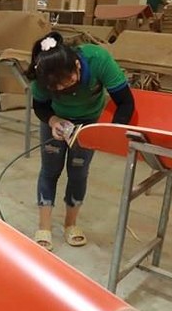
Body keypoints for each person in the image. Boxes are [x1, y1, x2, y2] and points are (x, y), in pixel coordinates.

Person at [26, 32, 134, 251]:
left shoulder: (98, 60)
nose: (65, 89)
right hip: (56, 122)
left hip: (88, 122)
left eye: (69, 82)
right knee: (50, 170)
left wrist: (107, 134)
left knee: (78, 171)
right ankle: (44, 226)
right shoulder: (42, 75)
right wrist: (54, 120)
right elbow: (40, 106)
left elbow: (125, 102)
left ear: (77, 64)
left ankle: (70, 225)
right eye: (58, 88)